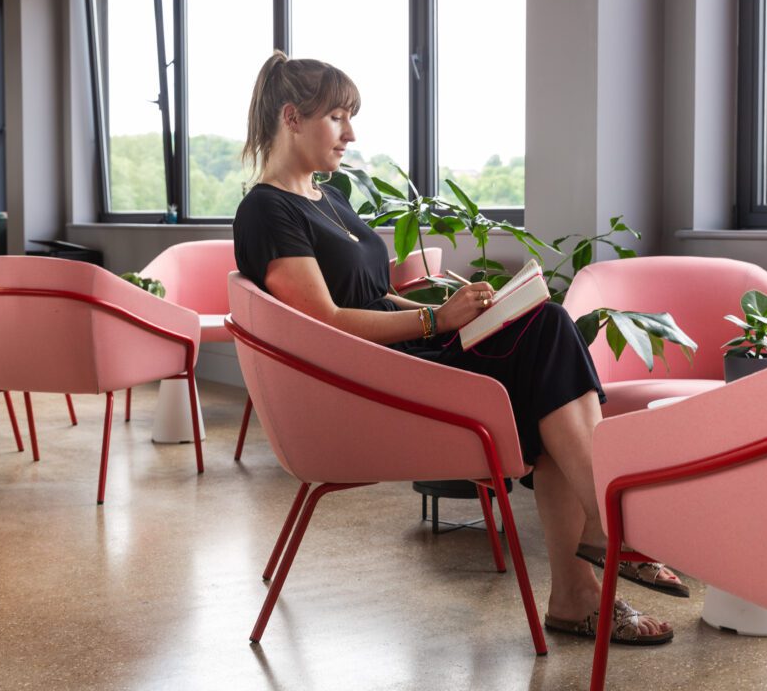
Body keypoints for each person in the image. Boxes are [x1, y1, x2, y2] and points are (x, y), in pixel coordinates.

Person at [232, 51, 686, 646]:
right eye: (338, 117)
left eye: (351, 117)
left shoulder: (329, 197)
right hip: (366, 387)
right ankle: (604, 535)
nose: (351, 133)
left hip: (398, 362)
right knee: (549, 337)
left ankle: (582, 585)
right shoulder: (266, 209)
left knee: (545, 342)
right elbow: (327, 323)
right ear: (292, 117)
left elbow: (370, 296)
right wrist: (433, 321)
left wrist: (456, 315)